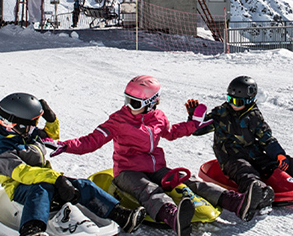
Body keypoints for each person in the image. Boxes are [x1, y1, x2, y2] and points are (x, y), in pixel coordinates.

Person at [50, 75, 266, 236]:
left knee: (188, 182)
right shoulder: (118, 120)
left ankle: (237, 203)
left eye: (134, 103)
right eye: (127, 100)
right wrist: (64, 145)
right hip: (127, 171)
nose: (128, 106)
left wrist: (193, 124)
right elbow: (91, 140)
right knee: (149, 190)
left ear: (151, 102)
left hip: (156, 167)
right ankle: (174, 217)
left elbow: (171, 133)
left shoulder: (158, 117)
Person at [0, 92, 145, 236]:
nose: (35, 127)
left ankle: (121, 215)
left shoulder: (26, 134)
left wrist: (51, 120)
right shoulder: (1, 149)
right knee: (40, 190)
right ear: (18, 125)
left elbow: (50, 137)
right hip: (20, 189)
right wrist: (56, 179)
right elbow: (23, 173)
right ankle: (32, 229)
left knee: (83, 185)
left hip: (46, 180)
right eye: (33, 123)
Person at [192, 76, 293, 201]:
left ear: (249, 101)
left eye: (237, 101)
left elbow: (267, 138)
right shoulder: (221, 113)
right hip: (230, 158)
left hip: (254, 154)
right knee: (244, 171)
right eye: (230, 99)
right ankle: (259, 192)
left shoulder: (254, 116)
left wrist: (278, 154)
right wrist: (194, 119)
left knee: (287, 164)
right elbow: (198, 130)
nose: (232, 104)